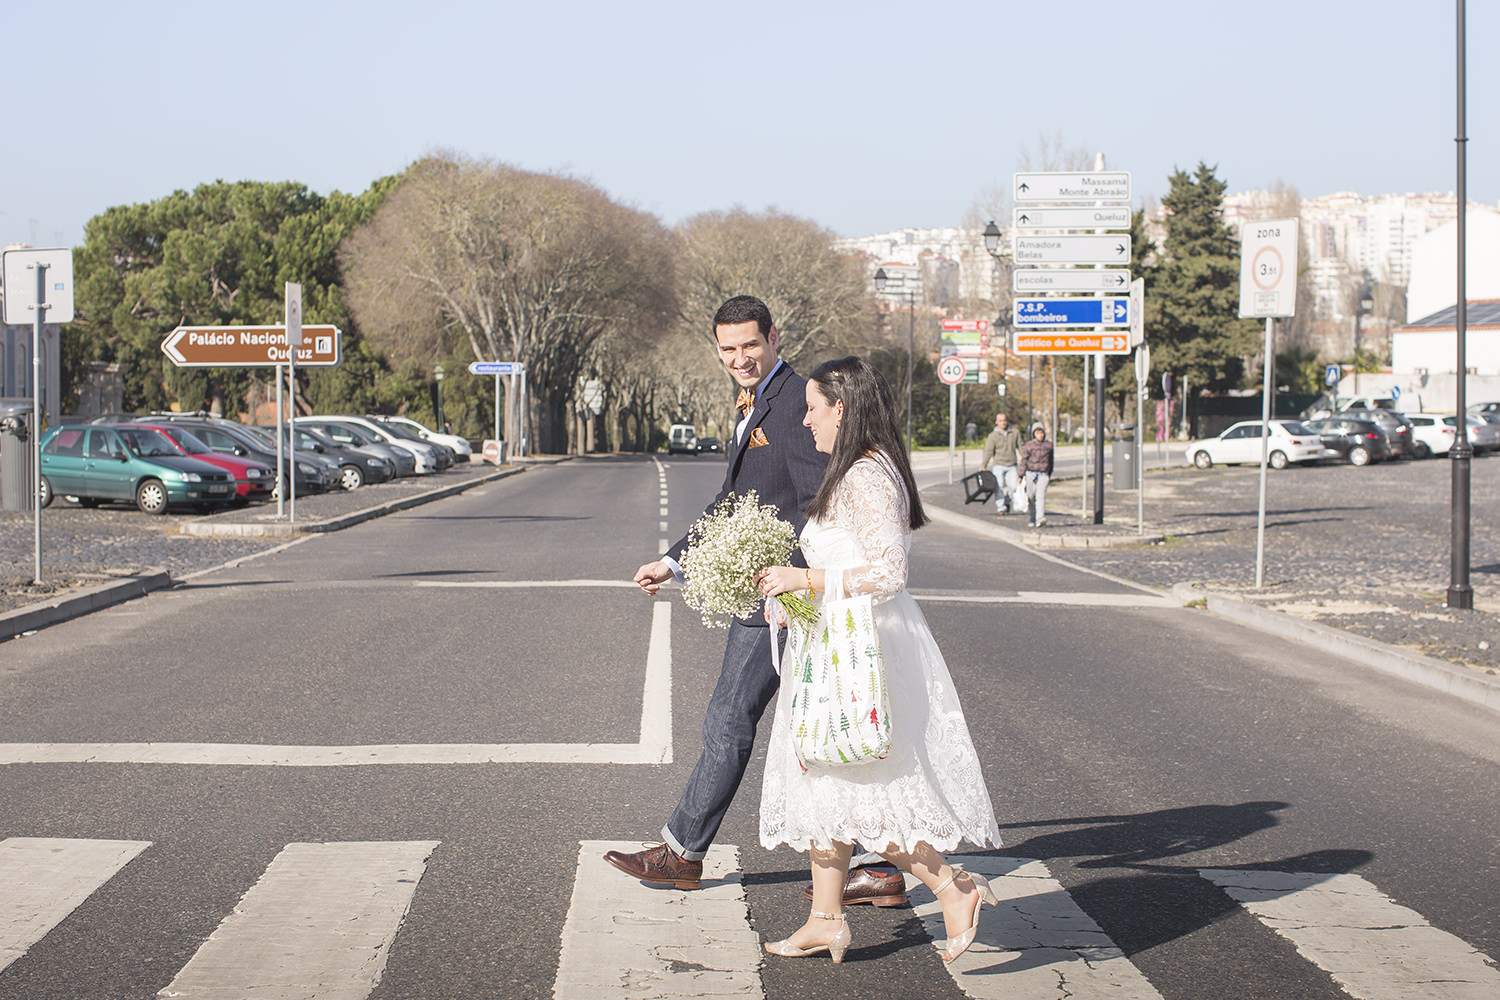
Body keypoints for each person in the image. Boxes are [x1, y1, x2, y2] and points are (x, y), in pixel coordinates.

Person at [608, 297, 907, 907]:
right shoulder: (755, 401)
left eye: (750, 345)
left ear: (774, 337)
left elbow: (815, 500)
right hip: (782, 590)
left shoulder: (799, 399)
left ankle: (683, 852)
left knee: (735, 718)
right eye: (728, 348)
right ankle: (878, 863)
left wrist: (799, 584)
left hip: (790, 596)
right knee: (829, 726)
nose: (739, 358)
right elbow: (733, 499)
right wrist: (672, 561)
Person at [754, 356, 1002, 964]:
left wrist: (805, 578)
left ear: (842, 408)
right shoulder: (856, 469)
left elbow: (890, 574)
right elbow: (843, 566)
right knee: (825, 785)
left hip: (861, 651)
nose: (806, 420)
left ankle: (953, 887)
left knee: (865, 787)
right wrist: (793, 597)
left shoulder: (867, 475)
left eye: (813, 407)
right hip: (837, 640)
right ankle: (825, 917)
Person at [979, 411, 1022, 515]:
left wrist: (1026, 460)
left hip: (1011, 464)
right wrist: (983, 465)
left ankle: (1007, 501)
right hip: (998, 464)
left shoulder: (1014, 433)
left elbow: (1021, 447)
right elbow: (988, 451)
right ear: (996, 422)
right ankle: (1000, 508)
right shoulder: (993, 436)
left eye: (1004, 420)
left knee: (1014, 487)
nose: (1003, 423)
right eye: (1000, 421)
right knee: (999, 487)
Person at [1020, 422, 1054, 527]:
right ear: (1034, 434)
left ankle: (1040, 518)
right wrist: (1020, 475)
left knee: (1041, 496)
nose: (1040, 435)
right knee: (1031, 496)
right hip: (1031, 473)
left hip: (1043, 473)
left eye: (1041, 432)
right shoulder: (1029, 445)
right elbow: (1024, 460)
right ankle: (1032, 517)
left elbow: (1051, 460)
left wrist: (1049, 473)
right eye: (1038, 433)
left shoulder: (1048, 445)